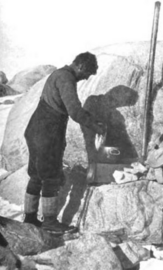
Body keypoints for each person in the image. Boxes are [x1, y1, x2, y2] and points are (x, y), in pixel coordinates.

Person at [23, 52, 105, 234]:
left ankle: (29, 218)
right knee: (51, 177)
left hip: (36, 130)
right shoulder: (66, 78)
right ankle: (50, 222)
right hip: (47, 133)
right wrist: (95, 126)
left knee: (36, 175)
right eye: (87, 73)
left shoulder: (59, 74)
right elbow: (74, 111)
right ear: (81, 66)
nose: (85, 78)